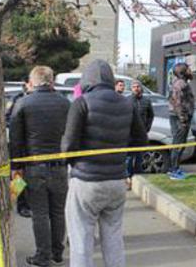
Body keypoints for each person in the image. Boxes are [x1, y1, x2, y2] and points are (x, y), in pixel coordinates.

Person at [62, 60, 147, 267]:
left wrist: (74, 162)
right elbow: (141, 141)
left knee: (81, 241)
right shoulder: (127, 104)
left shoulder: (81, 103)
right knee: (114, 241)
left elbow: (68, 146)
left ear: (86, 79)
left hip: (85, 181)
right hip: (116, 181)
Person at [9, 66, 71, 267]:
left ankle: (43, 255)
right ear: (51, 81)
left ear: (32, 81)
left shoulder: (23, 103)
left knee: (40, 213)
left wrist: (16, 166)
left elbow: (16, 139)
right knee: (58, 212)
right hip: (60, 166)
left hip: (34, 166)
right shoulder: (65, 103)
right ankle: (57, 252)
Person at [6, 76, 33, 218]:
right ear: (27, 84)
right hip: (18, 144)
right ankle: (15, 202)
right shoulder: (18, 99)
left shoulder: (36, 100)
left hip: (31, 145)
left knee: (26, 178)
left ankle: (25, 203)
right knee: (18, 178)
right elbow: (8, 117)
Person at [167, 63, 194, 180]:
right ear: (183, 71)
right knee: (178, 144)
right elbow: (177, 103)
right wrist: (183, 119)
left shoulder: (182, 83)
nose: (191, 71)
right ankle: (174, 170)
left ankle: (175, 168)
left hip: (180, 117)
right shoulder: (180, 84)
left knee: (179, 144)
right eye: (188, 69)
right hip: (179, 118)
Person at [127, 80, 154, 188]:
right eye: (134, 86)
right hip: (130, 135)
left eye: (138, 86)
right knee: (128, 159)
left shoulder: (146, 100)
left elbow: (151, 115)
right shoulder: (127, 100)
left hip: (142, 135)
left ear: (141, 88)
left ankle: (138, 179)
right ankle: (128, 178)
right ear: (131, 89)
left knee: (140, 158)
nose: (136, 88)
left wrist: (146, 128)